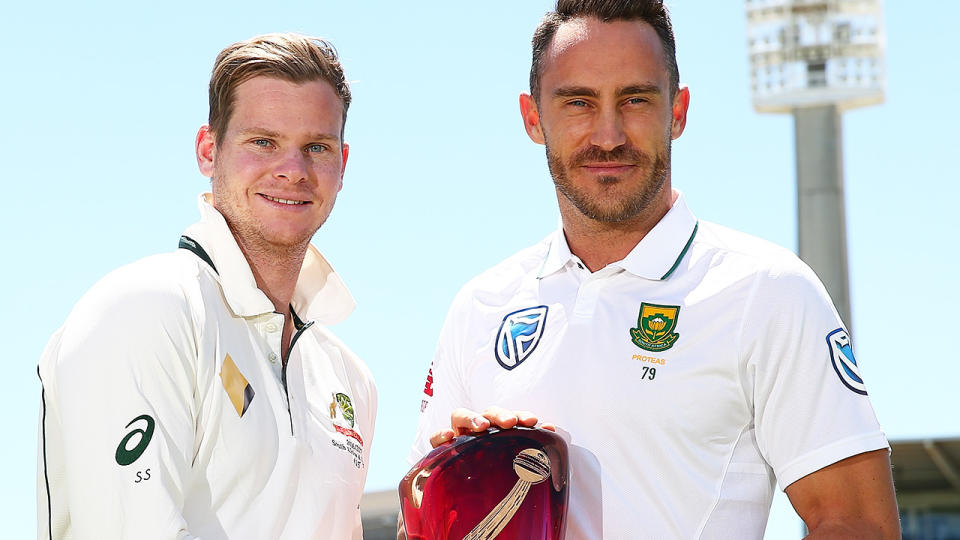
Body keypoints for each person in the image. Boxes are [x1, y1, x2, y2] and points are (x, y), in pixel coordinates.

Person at [407, 1, 899, 538]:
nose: (609, 135)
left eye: (636, 99)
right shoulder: (480, 306)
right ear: (533, 118)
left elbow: (859, 523)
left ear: (679, 111)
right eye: (578, 102)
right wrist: (470, 473)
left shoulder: (767, 291)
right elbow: (421, 527)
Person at [37, 33, 376, 539]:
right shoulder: (147, 309)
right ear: (208, 150)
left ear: (342, 165)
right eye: (263, 142)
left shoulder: (350, 378)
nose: (293, 170)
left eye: (316, 147)